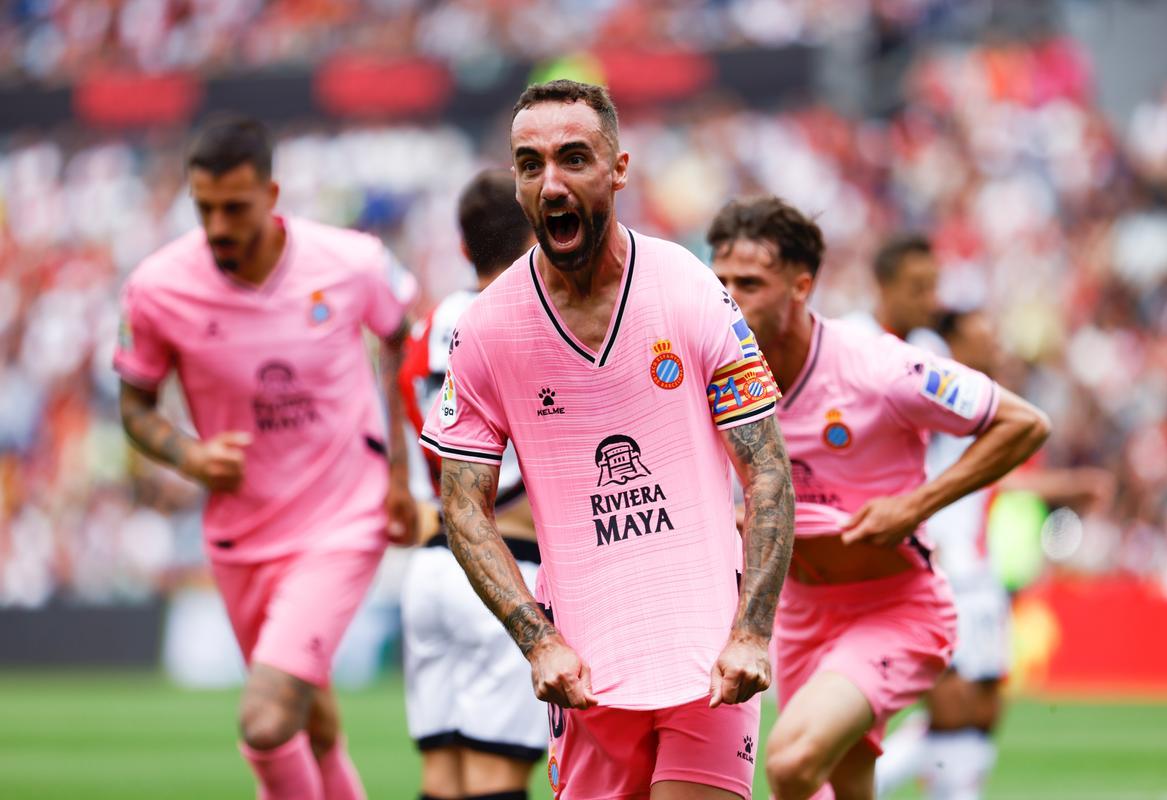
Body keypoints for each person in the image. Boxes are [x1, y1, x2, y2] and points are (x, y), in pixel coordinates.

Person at [420, 79, 794, 800]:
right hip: (586, 675)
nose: (551, 183)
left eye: (573, 159)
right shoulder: (488, 331)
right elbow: (462, 506)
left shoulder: (687, 288)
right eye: (531, 165)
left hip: (708, 662)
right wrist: (538, 640)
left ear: (618, 169)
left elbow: (769, 472)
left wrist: (751, 631)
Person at [113, 116, 418, 800]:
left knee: (265, 717)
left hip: (344, 517)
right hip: (241, 536)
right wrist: (190, 457)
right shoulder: (158, 288)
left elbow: (402, 341)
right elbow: (134, 407)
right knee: (312, 727)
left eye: (235, 207)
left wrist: (400, 474)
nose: (218, 225)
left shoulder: (351, 262)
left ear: (272, 193)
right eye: (205, 208)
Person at [706, 195, 1050, 800]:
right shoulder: (715, 373)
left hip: (895, 608)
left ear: (801, 286)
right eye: (721, 281)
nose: (729, 298)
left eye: (751, 283)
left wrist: (915, 507)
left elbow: (1024, 423)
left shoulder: (877, 368)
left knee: (790, 762)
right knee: (842, 786)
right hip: (800, 614)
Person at [874, 308, 1114, 800]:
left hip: (980, 576)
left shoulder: (977, 406)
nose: (994, 347)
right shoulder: (931, 388)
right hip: (941, 572)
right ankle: (848, 785)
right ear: (952, 343)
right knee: (953, 709)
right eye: (983, 338)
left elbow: (992, 479)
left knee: (981, 710)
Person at [397, 168, 546, 800]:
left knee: (443, 775)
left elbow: (398, 394)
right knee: (495, 776)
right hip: (506, 560)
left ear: (463, 247)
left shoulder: (427, 327)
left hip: (432, 565)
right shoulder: (528, 318)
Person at [844, 233, 945, 353]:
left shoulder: (932, 347)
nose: (930, 302)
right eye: (918, 289)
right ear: (883, 285)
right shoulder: (850, 337)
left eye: (933, 288)